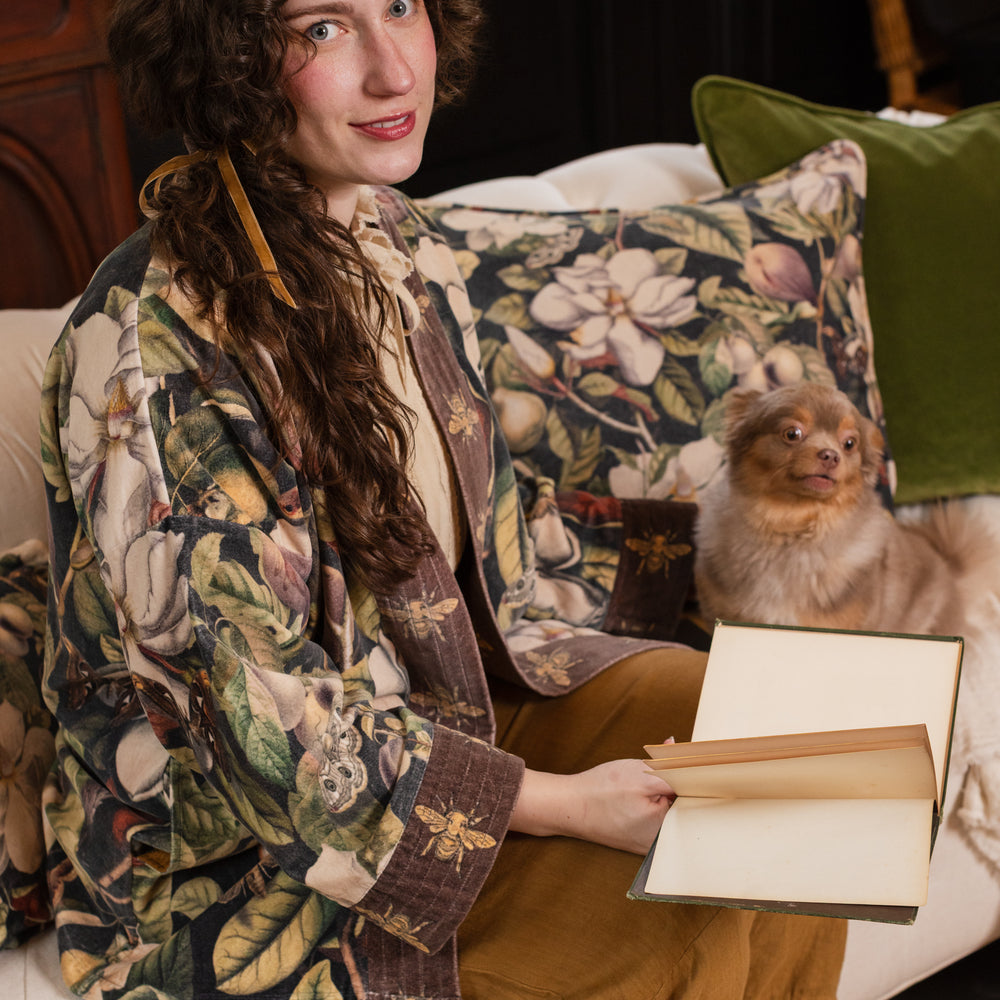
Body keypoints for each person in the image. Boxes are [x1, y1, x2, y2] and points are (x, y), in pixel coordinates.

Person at [39, 1, 847, 997]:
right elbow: (256, 722)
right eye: (323, 28)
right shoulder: (149, 345)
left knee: (798, 769)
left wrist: (741, 559)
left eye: (399, 7)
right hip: (260, 848)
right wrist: (563, 803)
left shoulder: (397, 240)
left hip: (461, 701)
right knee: (692, 905)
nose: (392, 71)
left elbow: (495, 541)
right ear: (228, 57)